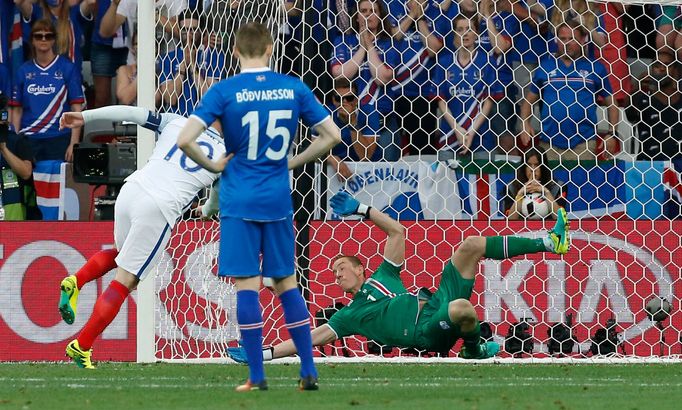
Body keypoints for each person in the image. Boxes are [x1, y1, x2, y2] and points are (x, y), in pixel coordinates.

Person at [177, 22, 341, 392]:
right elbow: (332, 135)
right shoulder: (293, 88)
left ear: (235, 52)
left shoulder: (224, 91)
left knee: (247, 286)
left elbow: (186, 139)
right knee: (287, 283)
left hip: (239, 198)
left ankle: (256, 375)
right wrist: (294, 161)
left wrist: (215, 166)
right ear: (269, 48)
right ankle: (308, 370)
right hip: (278, 198)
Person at [227, 190, 570, 363]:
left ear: (361, 268)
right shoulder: (350, 315)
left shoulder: (384, 276)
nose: (336, 275)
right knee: (463, 309)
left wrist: (362, 209)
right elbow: (310, 339)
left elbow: (398, 232)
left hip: (433, 302)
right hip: (425, 332)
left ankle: (550, 241)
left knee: (470, 245)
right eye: (332, 273)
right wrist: (265, 353)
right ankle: (473, 347)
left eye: (340, 268)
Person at [57, 104, 226, 369]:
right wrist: (205, 211)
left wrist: (85, 117)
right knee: (126, 281)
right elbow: (216, 202)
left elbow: (132, 113)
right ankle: (82, 346)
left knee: (120, 255)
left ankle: (75, 281)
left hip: (132, 189)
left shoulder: (176, 121)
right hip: (158, 207)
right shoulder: (226, 155)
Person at [519, 21, 619, 161]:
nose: (566, 43)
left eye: (571, 39)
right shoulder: (545, 67)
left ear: (583, 40)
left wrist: (612, 133)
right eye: (562, 39)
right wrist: (525, 124)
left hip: (583, 144)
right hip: (549, 144)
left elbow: (612, 104)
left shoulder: (595, 68)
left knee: (582, 183)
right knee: (550, 183)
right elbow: (528, 101)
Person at [9, 19, 84, 162]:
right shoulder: (23, 71)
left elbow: (76, 108)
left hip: (59, 137)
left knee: (58, 183)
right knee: (29, 183)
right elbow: (16, 110)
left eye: (48, 36)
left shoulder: (67, 68)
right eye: (38, 36)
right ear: (32, 40)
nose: (43, 39)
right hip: (28, 138)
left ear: (54, 40)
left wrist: (74, 143)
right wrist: (16, 141)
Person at [433, 15, 503, 156]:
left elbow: (489, 102)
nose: (465, 33)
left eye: (469, 29)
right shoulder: (444, 62)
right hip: (450, 134)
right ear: (454, 33)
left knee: (482, 176)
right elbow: (440, 100)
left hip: (481, 135)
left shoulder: (488, 62)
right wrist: (457, 129)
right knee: (447, 177)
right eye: (459, 29)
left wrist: (471, 132)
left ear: (476, 33)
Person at [157, 9, 227, 116]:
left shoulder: (214, 56)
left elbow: (210, 98)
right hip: (175, 121)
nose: (189, 34)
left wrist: (193, 66)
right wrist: (184, 63)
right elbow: (170, 99)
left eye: (194, 30)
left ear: (202, 31)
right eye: (185, 30)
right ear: (179, 31)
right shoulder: (167, 58)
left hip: (204, 121)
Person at [626, 52, 682, 161]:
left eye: (666, 65)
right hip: (650, 166)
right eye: (657, 65)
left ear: (675, 70)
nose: (661, 69)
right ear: (651, 70)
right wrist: (637, 87)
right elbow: (630, 116)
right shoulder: (643, 98)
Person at [326, 78, 383, 181]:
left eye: (349, 98)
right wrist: (332, 158)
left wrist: (351, 123)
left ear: (356, 99)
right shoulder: (326, 113)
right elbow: (313, 149)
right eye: (339, 98)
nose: (344, 102)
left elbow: (365, 156)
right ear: (333, 100)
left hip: (369, 174)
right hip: (336, 171)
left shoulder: (369, 112)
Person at [505, 148, 565, 220]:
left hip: (550, 230)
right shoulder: (511, 187)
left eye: (536, 165)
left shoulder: (558, 187)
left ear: (543, 167)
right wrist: (520, 194)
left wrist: (547, 193)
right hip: (521, 230)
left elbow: (561, 220)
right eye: (529, 165)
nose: (532, 169)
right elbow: (509, 221)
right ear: (524, 167)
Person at [115, 30, 137, 105]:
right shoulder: (124, 70)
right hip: (131, 114)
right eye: (136, 44)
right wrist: (142, 72)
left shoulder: (160, 69)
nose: (139, 47)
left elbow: (156, 98)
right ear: (132, 49)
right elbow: (125, 99)